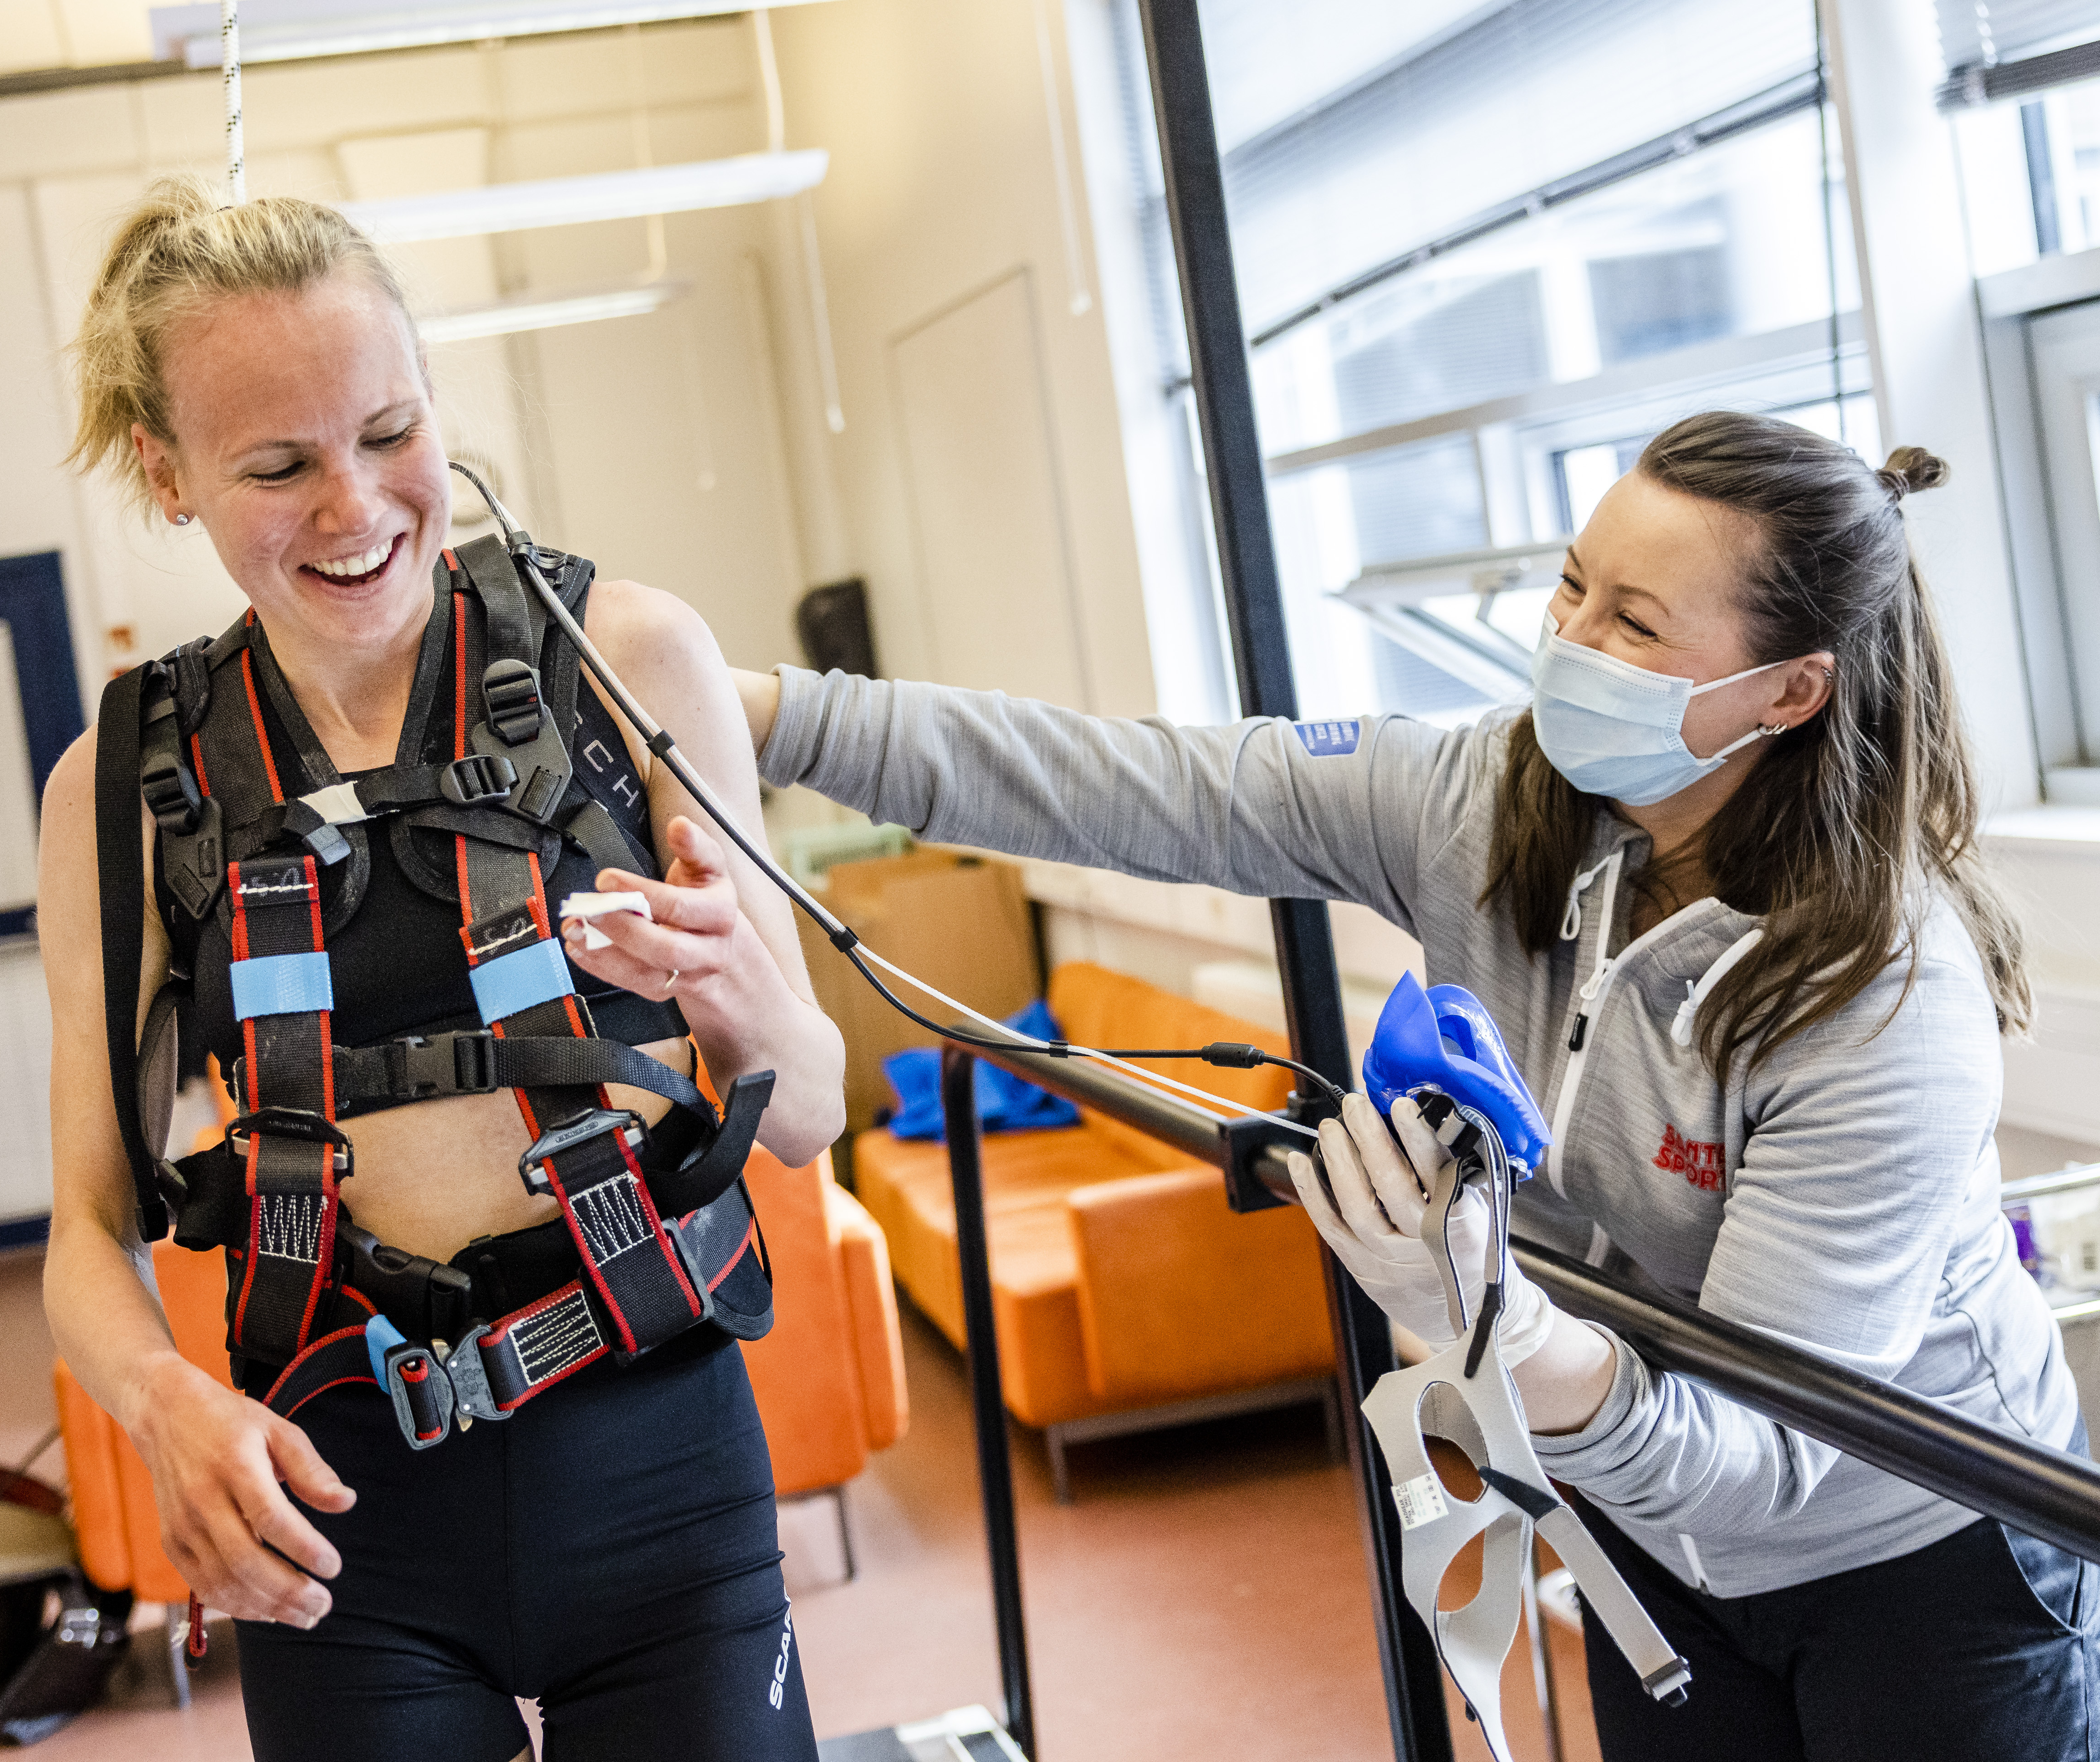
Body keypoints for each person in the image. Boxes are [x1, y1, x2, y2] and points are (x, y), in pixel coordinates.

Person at [733, 411, 2094, 1759]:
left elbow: (1761, 1455)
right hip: (1646, 1529)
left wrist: (1499, 1328)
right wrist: (765, 720)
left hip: (1919, 1549)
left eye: (1634, 623)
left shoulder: (1884, 997)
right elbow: (1138, 784)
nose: (1570, 642)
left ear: (1790, 691)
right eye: (1572, 585)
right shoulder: (1484, 799)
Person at [36, 177, 843, 1762]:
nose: (355, 509)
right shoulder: (120, 787)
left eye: (390, 431)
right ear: (168, 472)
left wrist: (735, 995)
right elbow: (85, 1229)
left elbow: (807, 1108)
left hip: (662, 1471)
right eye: (279, 467)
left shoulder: (628, 660)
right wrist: (165, 1404)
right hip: (337, 1514)